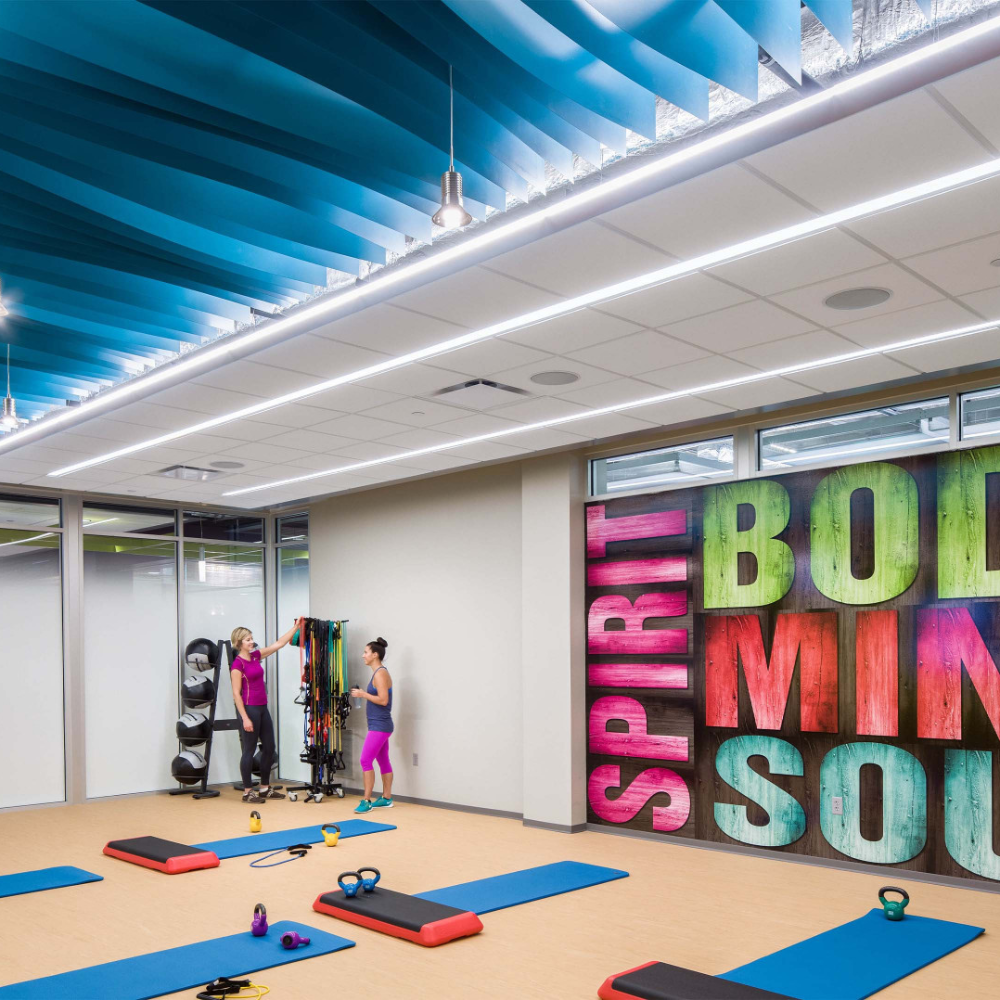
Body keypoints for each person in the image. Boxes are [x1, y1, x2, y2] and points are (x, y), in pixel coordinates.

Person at [231, 622, 299, 804]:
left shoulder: (255, 657)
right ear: (239, 643)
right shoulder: (237, 665)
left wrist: (296, 628)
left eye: (252, 638)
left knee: (269, 747)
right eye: (248, 640)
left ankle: (264, 788)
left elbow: (278, 644)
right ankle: (247, 792)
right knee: (249, 750)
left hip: (262, 707)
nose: (252, 642)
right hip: (249, 709)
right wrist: (244, 717)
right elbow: (236, 694)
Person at [350, 636, 394, 813]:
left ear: (375, 655)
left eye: (366, 652)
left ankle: (366, 801)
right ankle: (387, 798)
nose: (363, 655)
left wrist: (363, 695)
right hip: (380, 725)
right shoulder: (377, 673)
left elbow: (383, 700)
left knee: (365, 760)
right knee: (383, 760)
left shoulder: (381, 673)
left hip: (380, 726)